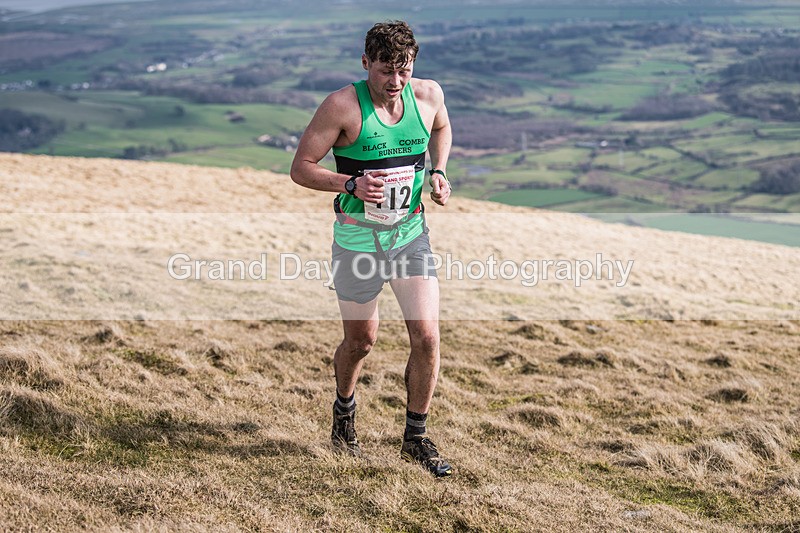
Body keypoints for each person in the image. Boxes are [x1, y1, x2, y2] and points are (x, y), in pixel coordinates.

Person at [290, 20, 453, 477]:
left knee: (427, 336)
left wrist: (437, 171)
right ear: (366, 64)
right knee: (361, 341)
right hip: (358, 240)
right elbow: (300, 168)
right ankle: (344, 414)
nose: (395, 82)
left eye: (404, 70)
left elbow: (442, 128)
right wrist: (351, 183)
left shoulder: (428, 96)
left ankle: (415, 438)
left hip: (409, 235)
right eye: (386, 71)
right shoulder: (341, 106)